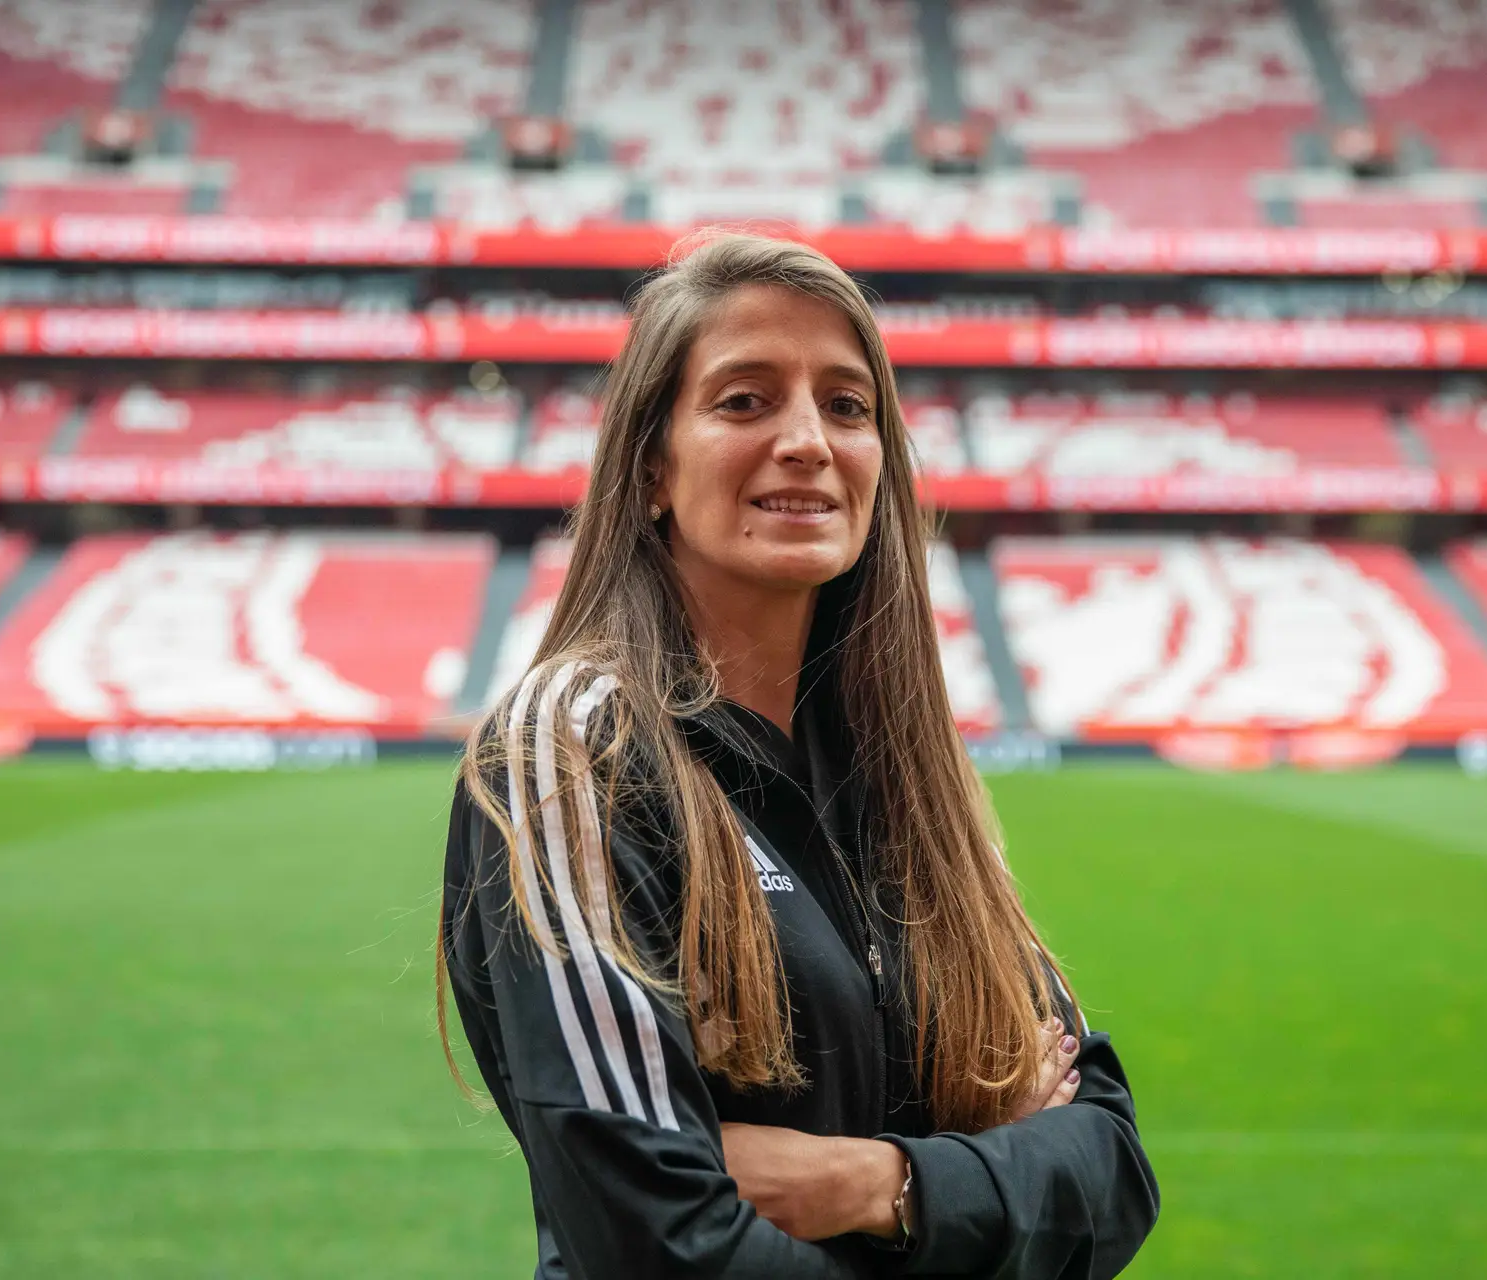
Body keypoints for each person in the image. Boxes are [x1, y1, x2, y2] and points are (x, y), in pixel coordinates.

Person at [438, 232, 1158, 1278]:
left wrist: (875, 1184)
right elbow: (656, 1235)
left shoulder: (910, 774)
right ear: (651, 469)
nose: (809, 440)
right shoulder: (575, 744)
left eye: (848, 405)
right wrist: (987, 1176)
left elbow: (1110, 1170)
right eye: (744, 401)